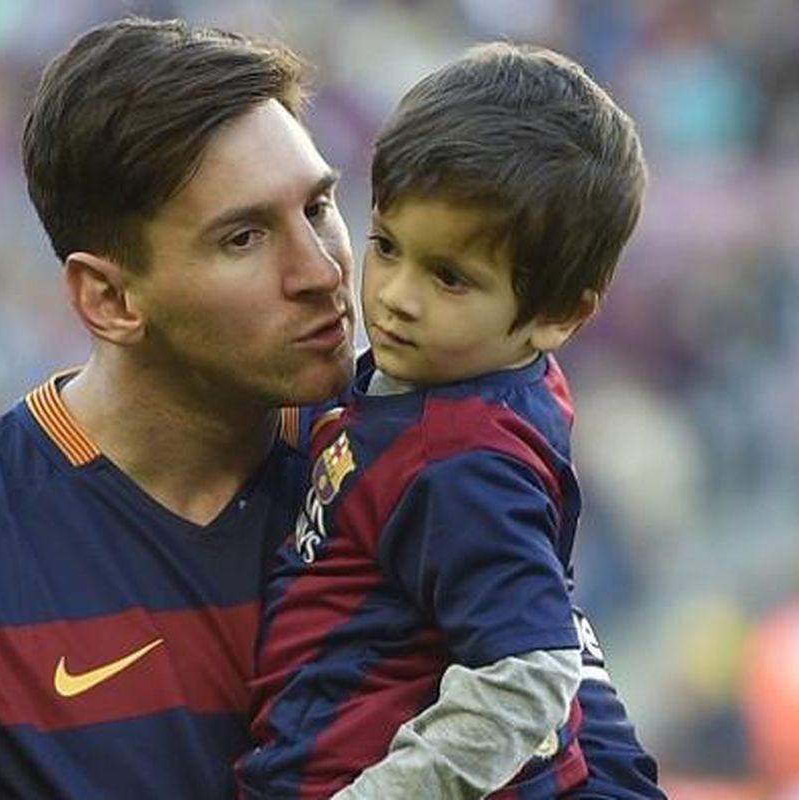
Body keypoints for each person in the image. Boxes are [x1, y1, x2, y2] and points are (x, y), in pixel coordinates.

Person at [0, 16, 355, 799]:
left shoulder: (410, 475)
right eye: (245, 238)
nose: (321, 271)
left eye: (319, 207)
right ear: (109, 299)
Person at [238, 42, 663, 799]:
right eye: (388, 246)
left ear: (559, 315)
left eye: (450, 277)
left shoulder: (463, 456)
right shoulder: (452, 385)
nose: (396, 295)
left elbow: (529, 674)